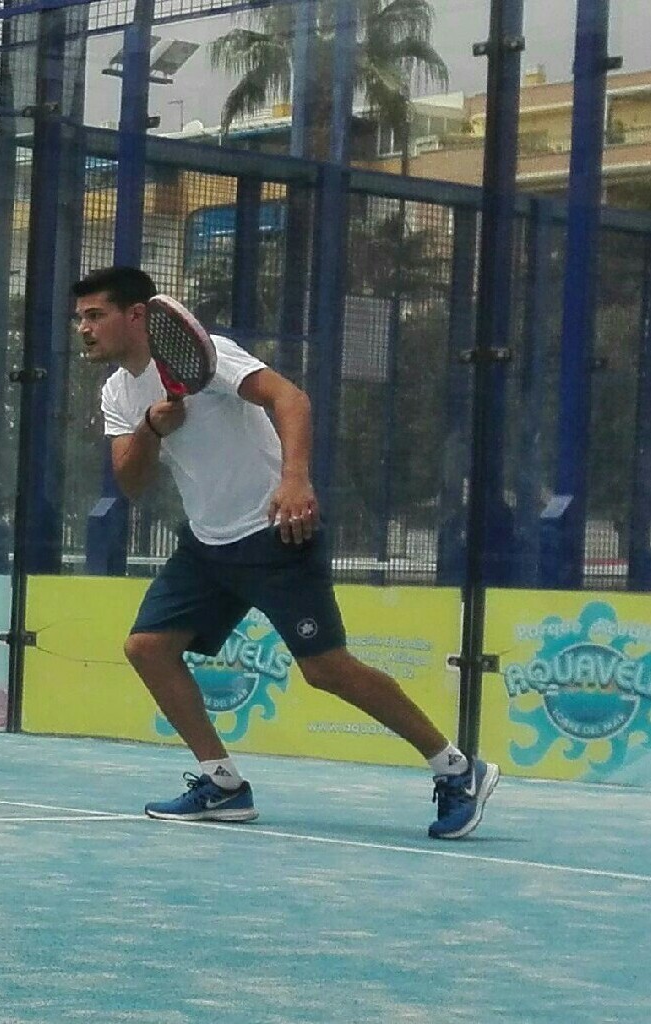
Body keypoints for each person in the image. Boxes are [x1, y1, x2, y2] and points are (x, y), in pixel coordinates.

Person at [72, 265, 499, 840]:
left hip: (275, 532)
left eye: (95, 315)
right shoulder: (118, 392)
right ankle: (223, 784)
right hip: (207, 544)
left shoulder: (212, 356)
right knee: (147, 647)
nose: (84, 328)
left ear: (137, 315)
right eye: (80, 318)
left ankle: (456, 767)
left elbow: (289, 398)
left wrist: (295, 480)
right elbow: (130, 482)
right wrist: (150, 427)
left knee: (326, 669)